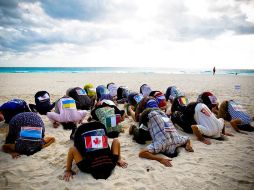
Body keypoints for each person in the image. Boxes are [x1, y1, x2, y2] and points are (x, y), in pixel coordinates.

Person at [63, 121, 127, 181]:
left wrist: (118, 158)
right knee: (76, 141)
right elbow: (72, 149)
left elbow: (116, 141)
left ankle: (75, 131)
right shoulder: (86, 168)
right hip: (82, 131)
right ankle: (75, 130)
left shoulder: (112, 162)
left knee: (77, 141)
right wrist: (68, 170)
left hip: (97, 127)